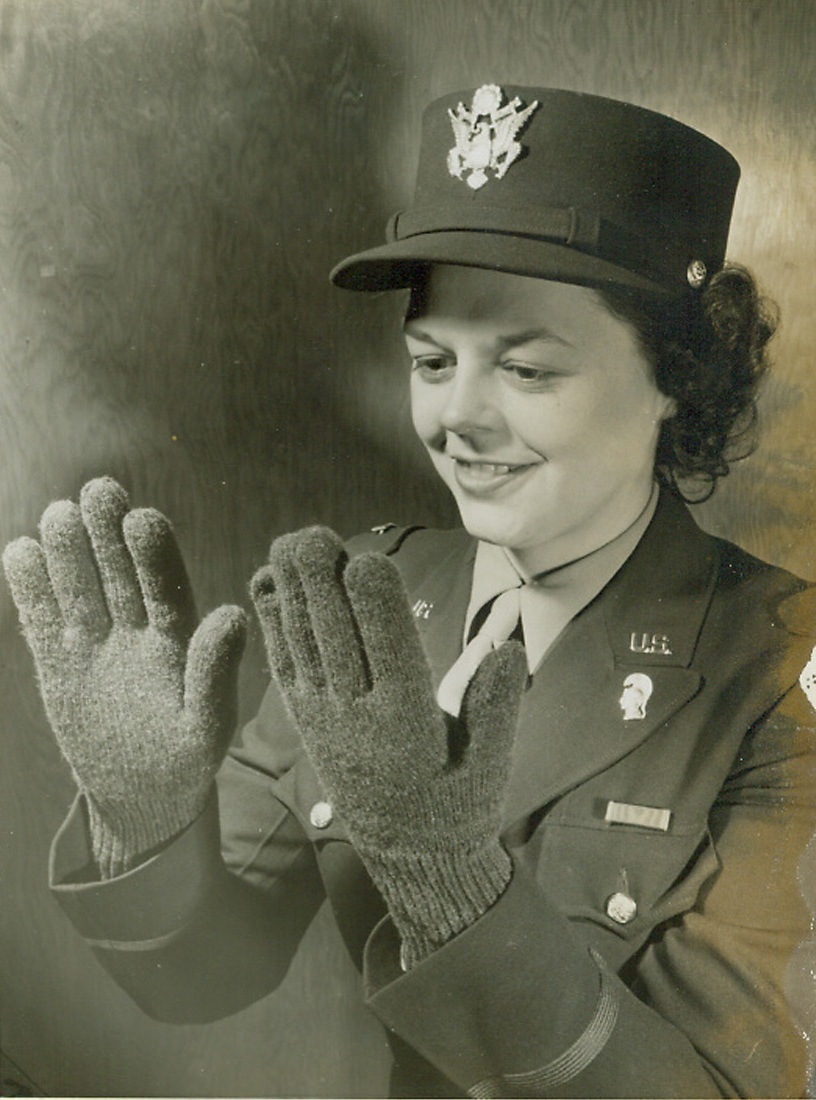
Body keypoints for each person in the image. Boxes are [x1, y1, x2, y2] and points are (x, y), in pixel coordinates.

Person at [4, 84, 816, 1098]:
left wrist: (453, 887)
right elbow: (204, 973)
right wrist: (142, 814)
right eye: (432, 360)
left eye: (528, 370)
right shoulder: (368, 597)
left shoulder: (778, 671)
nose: (457, 417)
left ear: (677, 380)